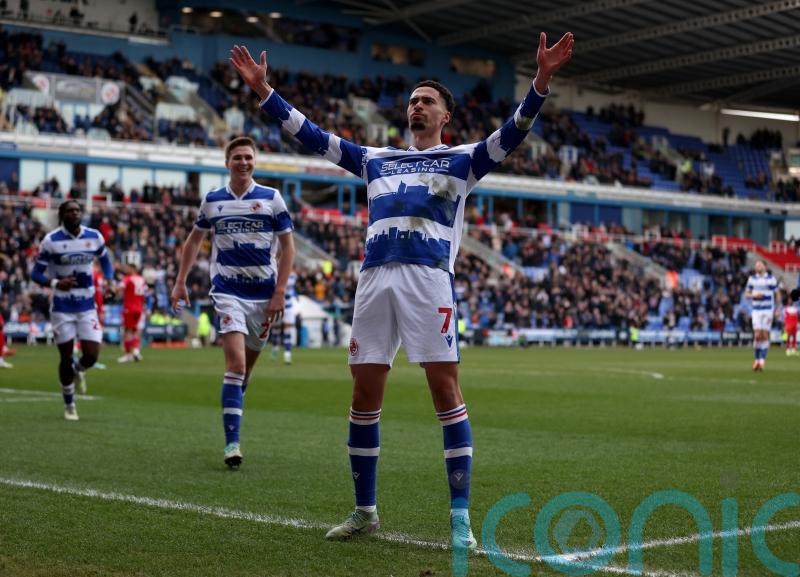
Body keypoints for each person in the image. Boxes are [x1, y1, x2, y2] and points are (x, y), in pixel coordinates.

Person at [231, 30, 573, 549]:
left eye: (427, 101)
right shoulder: (376, 158)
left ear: (445, 116)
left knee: (446, 394)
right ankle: (364, 512)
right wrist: (264, 92)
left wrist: (541, 81)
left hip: (429, 280)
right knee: (363, 398)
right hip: (373, 281)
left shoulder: (462, 159)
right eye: (412, 101)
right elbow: (313, 136)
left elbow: (514, 131)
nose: (416, 107)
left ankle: (460, 519)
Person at [170, 136, 295, 469]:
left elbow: (288, 248)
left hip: (264, 297)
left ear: (255, 162)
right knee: (236, 366)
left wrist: (280, 290)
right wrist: (180, 282)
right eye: (238, 157)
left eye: (249, 157)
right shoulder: (213, 201)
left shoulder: (272, 198)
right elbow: (193, 241)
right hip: (227, 293)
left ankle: (233, 409)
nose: (244, 162)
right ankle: (232, 445)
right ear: (227, 163)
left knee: (246, 372)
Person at [31, 200, 114, 420]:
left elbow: (106, 260)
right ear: (62, 215)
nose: (75, 213)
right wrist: (56, 283)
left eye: (77, 210)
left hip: (87, 305)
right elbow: (36, 274)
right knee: (65, 357)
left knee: (92, 355)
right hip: (62, 307)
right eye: (70, 211)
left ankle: (80, 369)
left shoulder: (94, 236)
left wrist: (110, 281)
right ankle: (69, 404)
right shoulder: (51, 241)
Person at [745, 259, 779, 371]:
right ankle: (756, 360)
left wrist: (778, 309)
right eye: (756, 265)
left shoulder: (771, 279)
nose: (757, 266)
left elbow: (777, 294)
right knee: (757, 335)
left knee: (764, 335)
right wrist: (754, 295)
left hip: (768, 310)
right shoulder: (752, 279)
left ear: (765, 266)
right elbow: (746, 294)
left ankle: (762, 361)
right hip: (756, 310)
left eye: (759, 264)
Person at [117, 263, 147, 363]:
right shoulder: (141, 279)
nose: (125, 269)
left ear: (132, 268)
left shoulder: (128, 278)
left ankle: (128, 355)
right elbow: (144, 294)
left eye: (127, 267)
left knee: (127, 331)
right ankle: (136, 351)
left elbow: (119, 289)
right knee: (136, 330)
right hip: (139, 308)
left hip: (129, 307)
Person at [272, 270, 297, 364]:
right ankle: (275, 348)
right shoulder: (275, 272)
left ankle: (287, 355)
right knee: (276, 329)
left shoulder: (292, 275)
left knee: (288, 329)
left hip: (289, 307)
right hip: (278, 305)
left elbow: (287, 285)